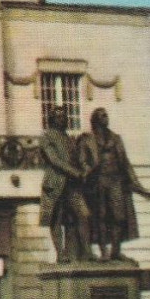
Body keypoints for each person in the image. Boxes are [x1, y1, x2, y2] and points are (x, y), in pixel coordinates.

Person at [82, 107, 150, 260]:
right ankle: (104, 252)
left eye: (106, 115)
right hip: (98, 181)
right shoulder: (87, 139)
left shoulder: (116, 138)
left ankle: (116, 250)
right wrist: (86, 172)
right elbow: (82, 162)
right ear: (95, 120)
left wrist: (139, 187)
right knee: (100, 216)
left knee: (119, 217)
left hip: (116, 181)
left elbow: (126, 164)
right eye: (102, 116)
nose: (106, 118)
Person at [39, 106, 92, 262]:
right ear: (52, 119)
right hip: (55, 182)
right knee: (57, 218)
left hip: (72, 185)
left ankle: (87, 251)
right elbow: (54, 159)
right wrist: (75, 172)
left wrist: (84, 168)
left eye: (64, 116)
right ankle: (60, 253)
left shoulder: (68, 138)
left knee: (84, 214)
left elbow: (76, 159)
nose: (63, 118)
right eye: (59, 116)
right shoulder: (47, 136)